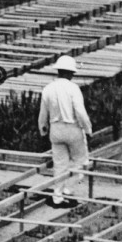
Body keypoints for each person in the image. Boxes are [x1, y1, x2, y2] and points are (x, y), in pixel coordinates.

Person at [38, 55, 92, 208]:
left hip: (55, 130)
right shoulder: (73, 88)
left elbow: (43, 114)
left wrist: (43, 130)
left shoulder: (48, 89)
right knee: (81, 161)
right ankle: (69, 188)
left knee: (59, 164)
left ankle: (57, 196)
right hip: (72, 128)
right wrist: (88, 129)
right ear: (70, 73)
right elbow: (80, 112)